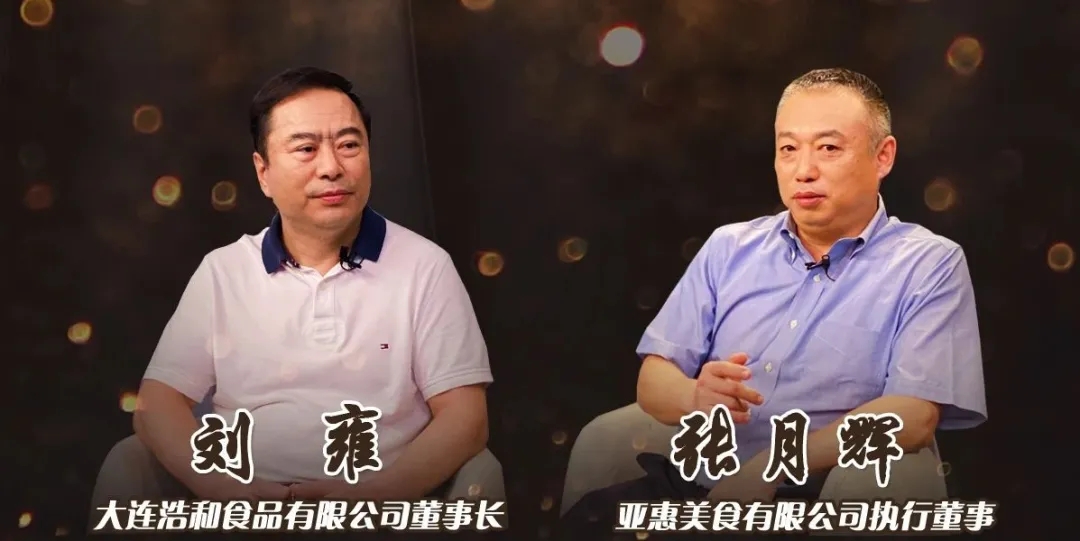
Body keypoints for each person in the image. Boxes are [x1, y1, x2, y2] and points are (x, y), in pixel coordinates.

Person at [561, 68, 987, 536]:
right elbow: (653, 377)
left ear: (882, 156)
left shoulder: (927, 263)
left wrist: (773, 466)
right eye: (788, 149)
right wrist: (694, 396)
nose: (804, 170)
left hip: (815, 497)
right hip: (695, 490)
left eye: (829, 148)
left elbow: (914, 416)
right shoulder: (729, 248)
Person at [91, 67, 494, 518]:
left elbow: (466, 418)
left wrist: (372, 498)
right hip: (243, 508)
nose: (332, 167)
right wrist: (228, 492)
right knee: (126, 464)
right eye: (306, 149)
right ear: (263, 172)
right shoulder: (225, 271)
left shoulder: (425, 266)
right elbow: (156, 405)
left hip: (378, 509)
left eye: (349, 145)